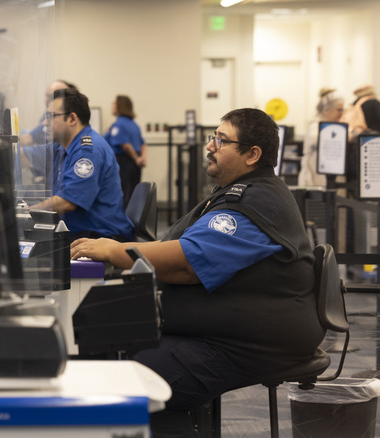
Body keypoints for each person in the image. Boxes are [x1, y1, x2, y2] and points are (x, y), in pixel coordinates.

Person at [70, 108, 323, 437]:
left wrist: (114, 251)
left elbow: (186, 263)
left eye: (221, 140)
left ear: (252, 155)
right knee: (108, 339)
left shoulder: (254, 203)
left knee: (137, 378)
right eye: (212, 137)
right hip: (226, 330)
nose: (210, 146)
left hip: (248, 343)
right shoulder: (241, 191)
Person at [29, 88, 133, 241]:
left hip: (99, 237)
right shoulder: (61, 146)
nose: (45, 122)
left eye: (51, 116)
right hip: (79, 233)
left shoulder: (88, 150)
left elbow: (67, 202)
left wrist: (29, 211)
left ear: (72, 119)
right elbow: (26, 156)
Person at [104, 95, 147, 209]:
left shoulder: (118, 125)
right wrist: (141, 158)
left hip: (123, 161)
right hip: (135, 162)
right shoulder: (134, 124)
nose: (112, 106)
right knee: (132, 192)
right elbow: (143, 143)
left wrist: (135, 158)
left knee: (122, 193)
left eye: (114, 103)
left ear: (119, 106)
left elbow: (125, 145)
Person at [298, 88, 344, 187]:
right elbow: (315, 140)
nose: (342, 113)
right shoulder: (315, 125)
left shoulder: (337, 125)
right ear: (326, 110)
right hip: (315, 180)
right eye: (339, 109)